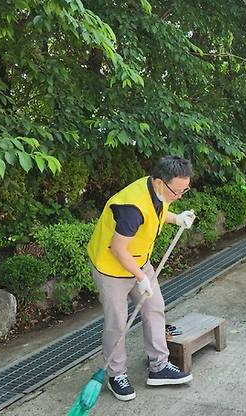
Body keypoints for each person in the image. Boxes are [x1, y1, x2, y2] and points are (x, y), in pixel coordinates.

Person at [88, 155, 197, 401]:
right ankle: (116, 374)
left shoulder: (160, 191)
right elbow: (118, 249)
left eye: (184, 190)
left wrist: (176, 218)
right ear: (160, 182)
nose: (179, 196)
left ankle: (159, 367)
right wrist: (140, 278)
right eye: (177, 191)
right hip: (111, 267)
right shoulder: (131, 208)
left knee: (154, 308)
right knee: (118, 321)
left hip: (138, 260)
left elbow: (158, 212)